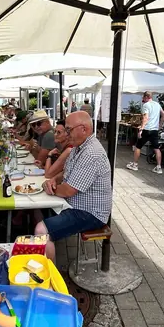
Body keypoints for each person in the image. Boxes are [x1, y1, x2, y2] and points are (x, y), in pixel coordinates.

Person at [34, 111, 111, 260]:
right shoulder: (79, 146)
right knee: (38, 211)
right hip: (78, 206)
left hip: (90, 213)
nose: (67, 134)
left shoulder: (91, 152)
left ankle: (51, 273)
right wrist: (54, 180)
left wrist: (49, 188)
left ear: (84, 129)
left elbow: (68, 191)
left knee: (41, 230)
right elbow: (66, 172)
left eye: (69, 130)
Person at [127, 91, 164, 174]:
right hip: (155, 130)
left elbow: (145, 118)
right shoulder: (157, 104)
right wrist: (160, 126)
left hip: (147, 129)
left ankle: (135, 165)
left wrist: (141, 129)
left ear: (146, 97)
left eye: (143, 97)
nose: (142, 99)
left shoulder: (146, 105)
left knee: (138, 146)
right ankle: (159, 168)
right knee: (156, 148)